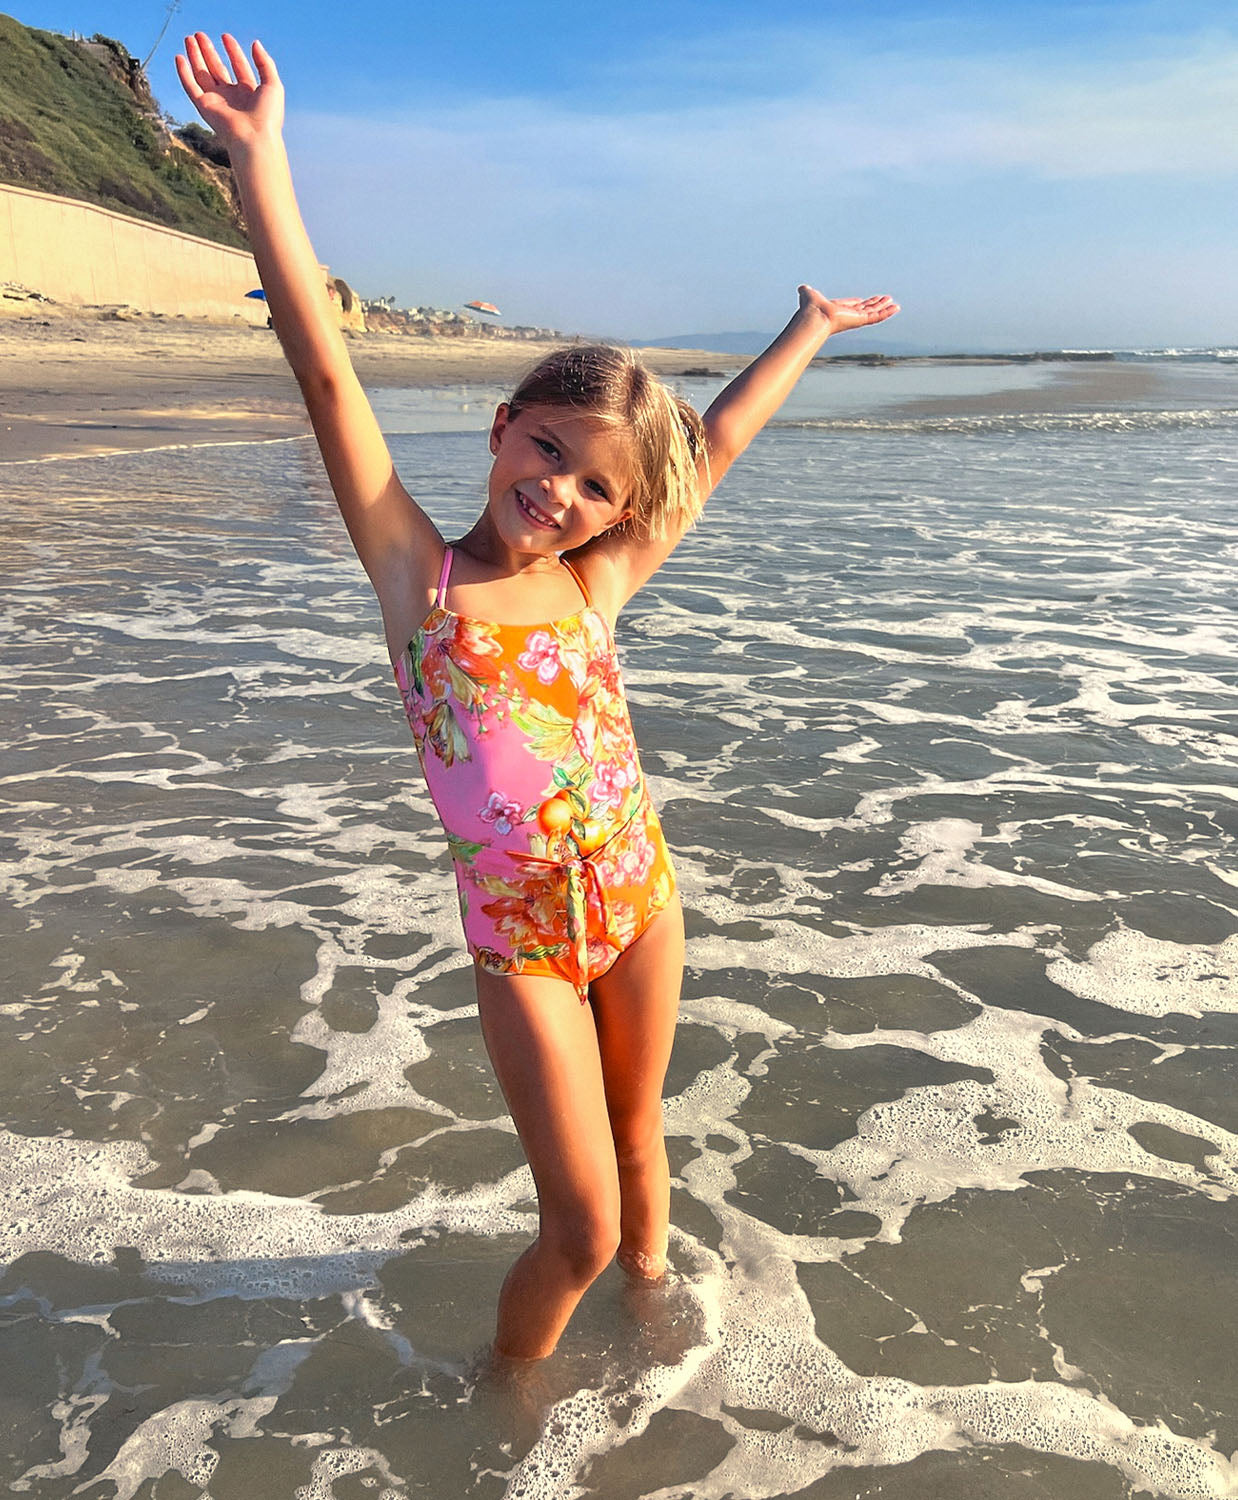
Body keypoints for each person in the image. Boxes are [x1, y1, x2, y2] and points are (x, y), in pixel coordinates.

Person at [176, 31, 898, 1363]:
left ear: (620, 513)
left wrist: (805, 328)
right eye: (548, 449)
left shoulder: (595, 585)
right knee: (572, 1223)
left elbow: (716, 441)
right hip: (525, 946)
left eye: (593, 487)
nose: (558, 491)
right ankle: (506, 1408)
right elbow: (329, 376)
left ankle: (652, 1333)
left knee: (642, 1152)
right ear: (504, 423)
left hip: (640, 901)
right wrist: (259, 162)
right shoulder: (421, 579)